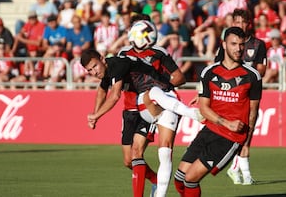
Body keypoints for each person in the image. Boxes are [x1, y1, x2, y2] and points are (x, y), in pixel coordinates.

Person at [80, 49, 204, 196]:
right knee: (128, 160)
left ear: (102, 58)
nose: (94, 72)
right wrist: (94, 113)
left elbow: (114, 96)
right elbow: (102, 91)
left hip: (156, 96)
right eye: (89, 70)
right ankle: (155, 180)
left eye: (95, 66)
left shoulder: (117, 64)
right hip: (136, 106)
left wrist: (96, 116)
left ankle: (192, 113)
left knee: (144, 151)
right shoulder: (107, 71)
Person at [173, 27, 262, 196]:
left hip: (231, 138)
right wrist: (225, 122)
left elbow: (253, 112)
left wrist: (246, 142)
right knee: (179, 178)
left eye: (242, 45)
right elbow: (203, 108)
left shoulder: (252, 76)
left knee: (191, 179)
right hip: (210, 130)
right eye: (234, 44)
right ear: (224, 45)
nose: (238, 49)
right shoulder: (209, 72)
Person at [214, 8, 267, 185]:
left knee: (248, 132)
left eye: (244, 22)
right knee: (239, 134)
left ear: (249, 24)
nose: (241, 25)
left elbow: (261, 71)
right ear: (232, 23)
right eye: (237, 22)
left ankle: (239, 170)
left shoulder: (258, 44)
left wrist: (243, 76)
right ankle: (241, 170)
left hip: (250, 93)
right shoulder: (227, 44)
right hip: (230, 95)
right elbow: (216, 71)